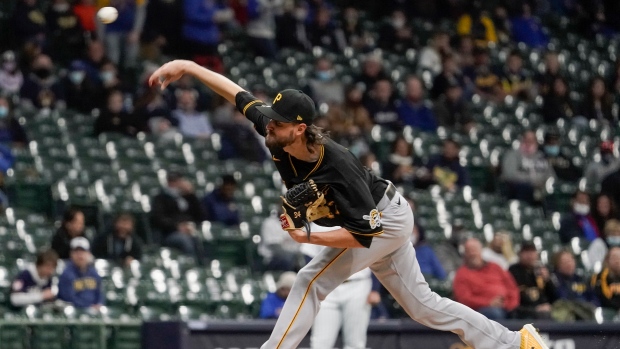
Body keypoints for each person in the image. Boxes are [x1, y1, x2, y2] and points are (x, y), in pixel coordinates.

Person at [149, 59, 549, 349]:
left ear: (300, 128)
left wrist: (310, 235)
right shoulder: (275, 129)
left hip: (382, 220)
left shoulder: (336, 165)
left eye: (278, 123)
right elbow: (235, 92)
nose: (268, 125)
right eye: (270, 119)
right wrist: (186, 66)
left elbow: (363, 236)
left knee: (311, 279)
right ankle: (516, 343)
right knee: (423, 306)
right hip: (379, 217)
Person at [302, 223, 376, 349]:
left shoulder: (363, 216)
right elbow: (309, 257)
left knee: (355, 343)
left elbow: (377, 256)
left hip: (357, 284)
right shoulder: (320, 219)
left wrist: (375, 289)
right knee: (320, 343)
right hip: (327, 287)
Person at [453, 238, 520, 320]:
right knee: (494, 314)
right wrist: (488, 303)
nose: (472, 254)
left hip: (506, 306)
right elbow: (464, 299)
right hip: (481, 311)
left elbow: (512, 287)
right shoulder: (461, 274)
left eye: (475, 250)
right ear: (465, 254)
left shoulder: (495, 267)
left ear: (481, 251)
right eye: (469, 251)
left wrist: (511, 304)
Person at [150, 171, 203, 255]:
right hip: (168, 233)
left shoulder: (186, 197)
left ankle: (204, 266)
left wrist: (192, 195)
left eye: (177, 181)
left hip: (189, 230)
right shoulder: (160, 198)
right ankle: (190, 265)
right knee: (185, 241)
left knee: (202, 241)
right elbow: (159, 219)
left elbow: (200, 215)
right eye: (172, 181)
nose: (175, 184)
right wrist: (177, 227)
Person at [500, 130, 555, 206]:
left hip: (540, 189)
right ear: (522, 140)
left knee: (552, 192)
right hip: (519, 188)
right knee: (524, 188)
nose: (529, 142)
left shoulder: (541, 157)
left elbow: (551, 175)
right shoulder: (513, 155)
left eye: (532, 140)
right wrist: (531, 181)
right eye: (527, 139)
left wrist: (544, 185)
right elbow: (510, 175)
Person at [509, 242, 557, 320]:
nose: (529, 255)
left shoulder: (541, 271)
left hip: (545, 309)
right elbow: (514, 299)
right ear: (519, 254)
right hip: (523, 311)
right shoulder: (513, 271)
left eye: (532, 252)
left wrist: (548, 280)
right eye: (526, 252)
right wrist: (534, 309)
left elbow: (554, 297)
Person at [550, 250, 598, 322]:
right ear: (558, 265)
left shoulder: (582, 279)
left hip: (586, 314)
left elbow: (594, 298)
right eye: (565, 262)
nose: (569, 264)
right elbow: (562, 297)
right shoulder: (554, 280)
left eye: (570, 261)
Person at [57, 237, 105, 309]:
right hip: (75, 313)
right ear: (71, 254)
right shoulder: (66, 274)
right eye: (76, 252)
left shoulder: (94, 273)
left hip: (94, 312)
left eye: (82, 251)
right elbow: (68, 299)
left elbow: (99, 294)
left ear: (88, 253)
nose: (80, 255)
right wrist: (88, 307)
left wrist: (99, 304)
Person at [591, 246, 620, 312]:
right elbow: (604, 298)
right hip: (608, 312)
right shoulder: (599, 278)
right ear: (607, 260)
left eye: (619, 258)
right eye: (614, 258)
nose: (617, 261)